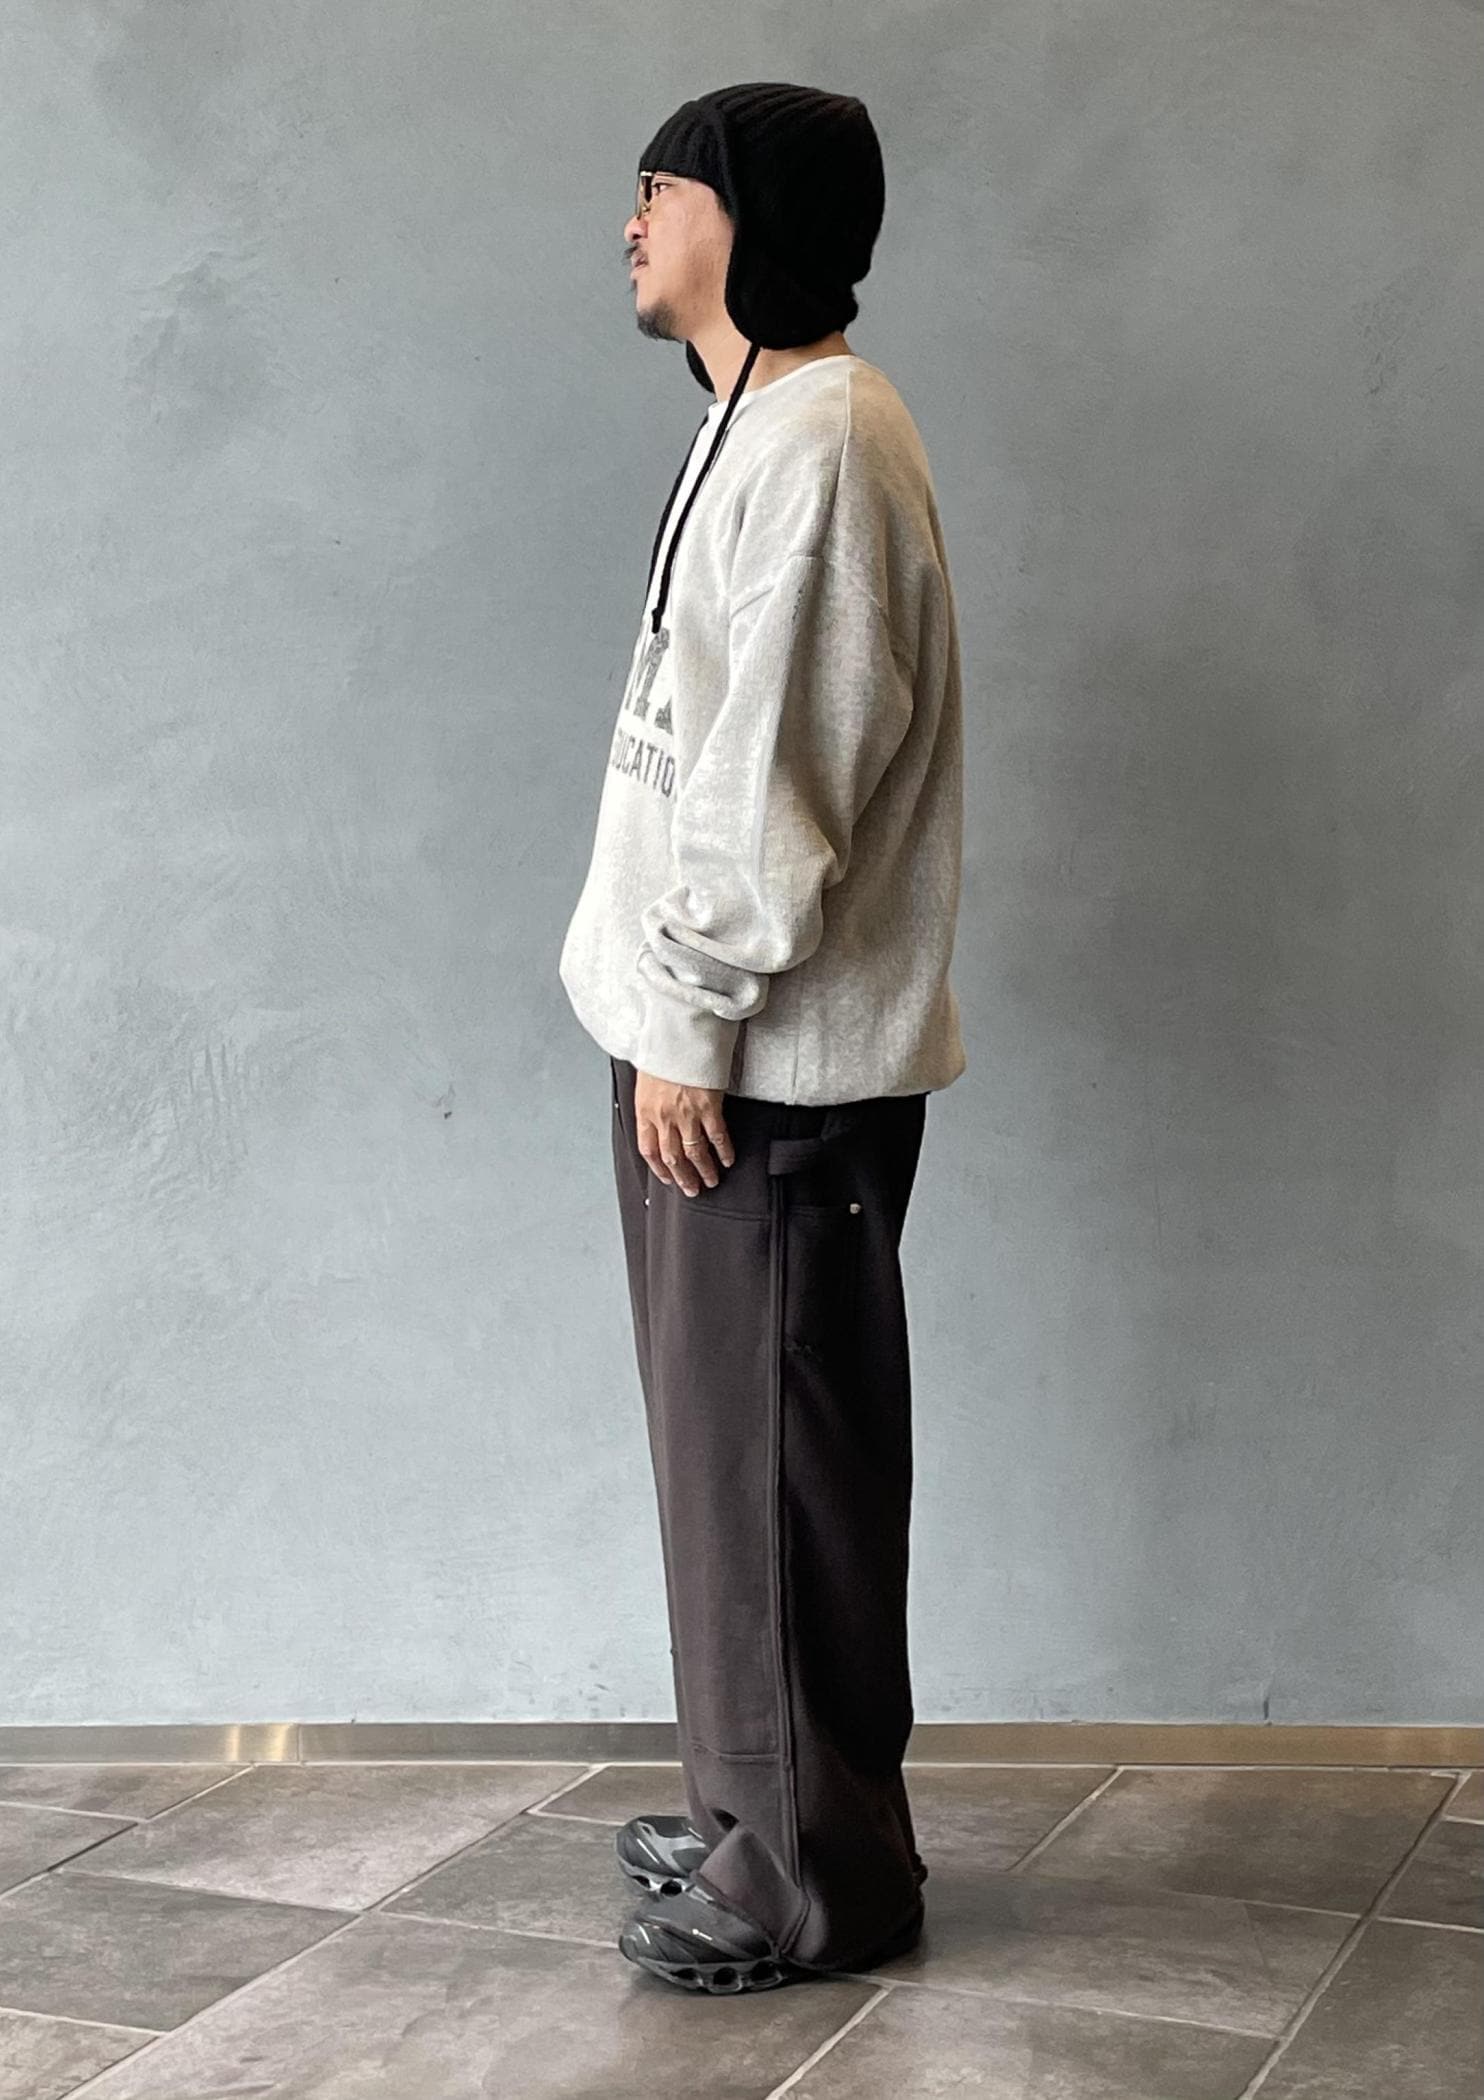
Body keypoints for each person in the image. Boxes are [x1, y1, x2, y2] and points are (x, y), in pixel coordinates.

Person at [557, 80, 968, 1994]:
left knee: (778, 1476)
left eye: (658, 186)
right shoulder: (754, 421)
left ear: (739, 209)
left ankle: (810, 1874)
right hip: (711, 1043)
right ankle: (762, 1813)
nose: (631, 221)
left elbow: (779, 779)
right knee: (733, 1462)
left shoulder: (824, 443)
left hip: (761, 1073)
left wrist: (692, 1024)